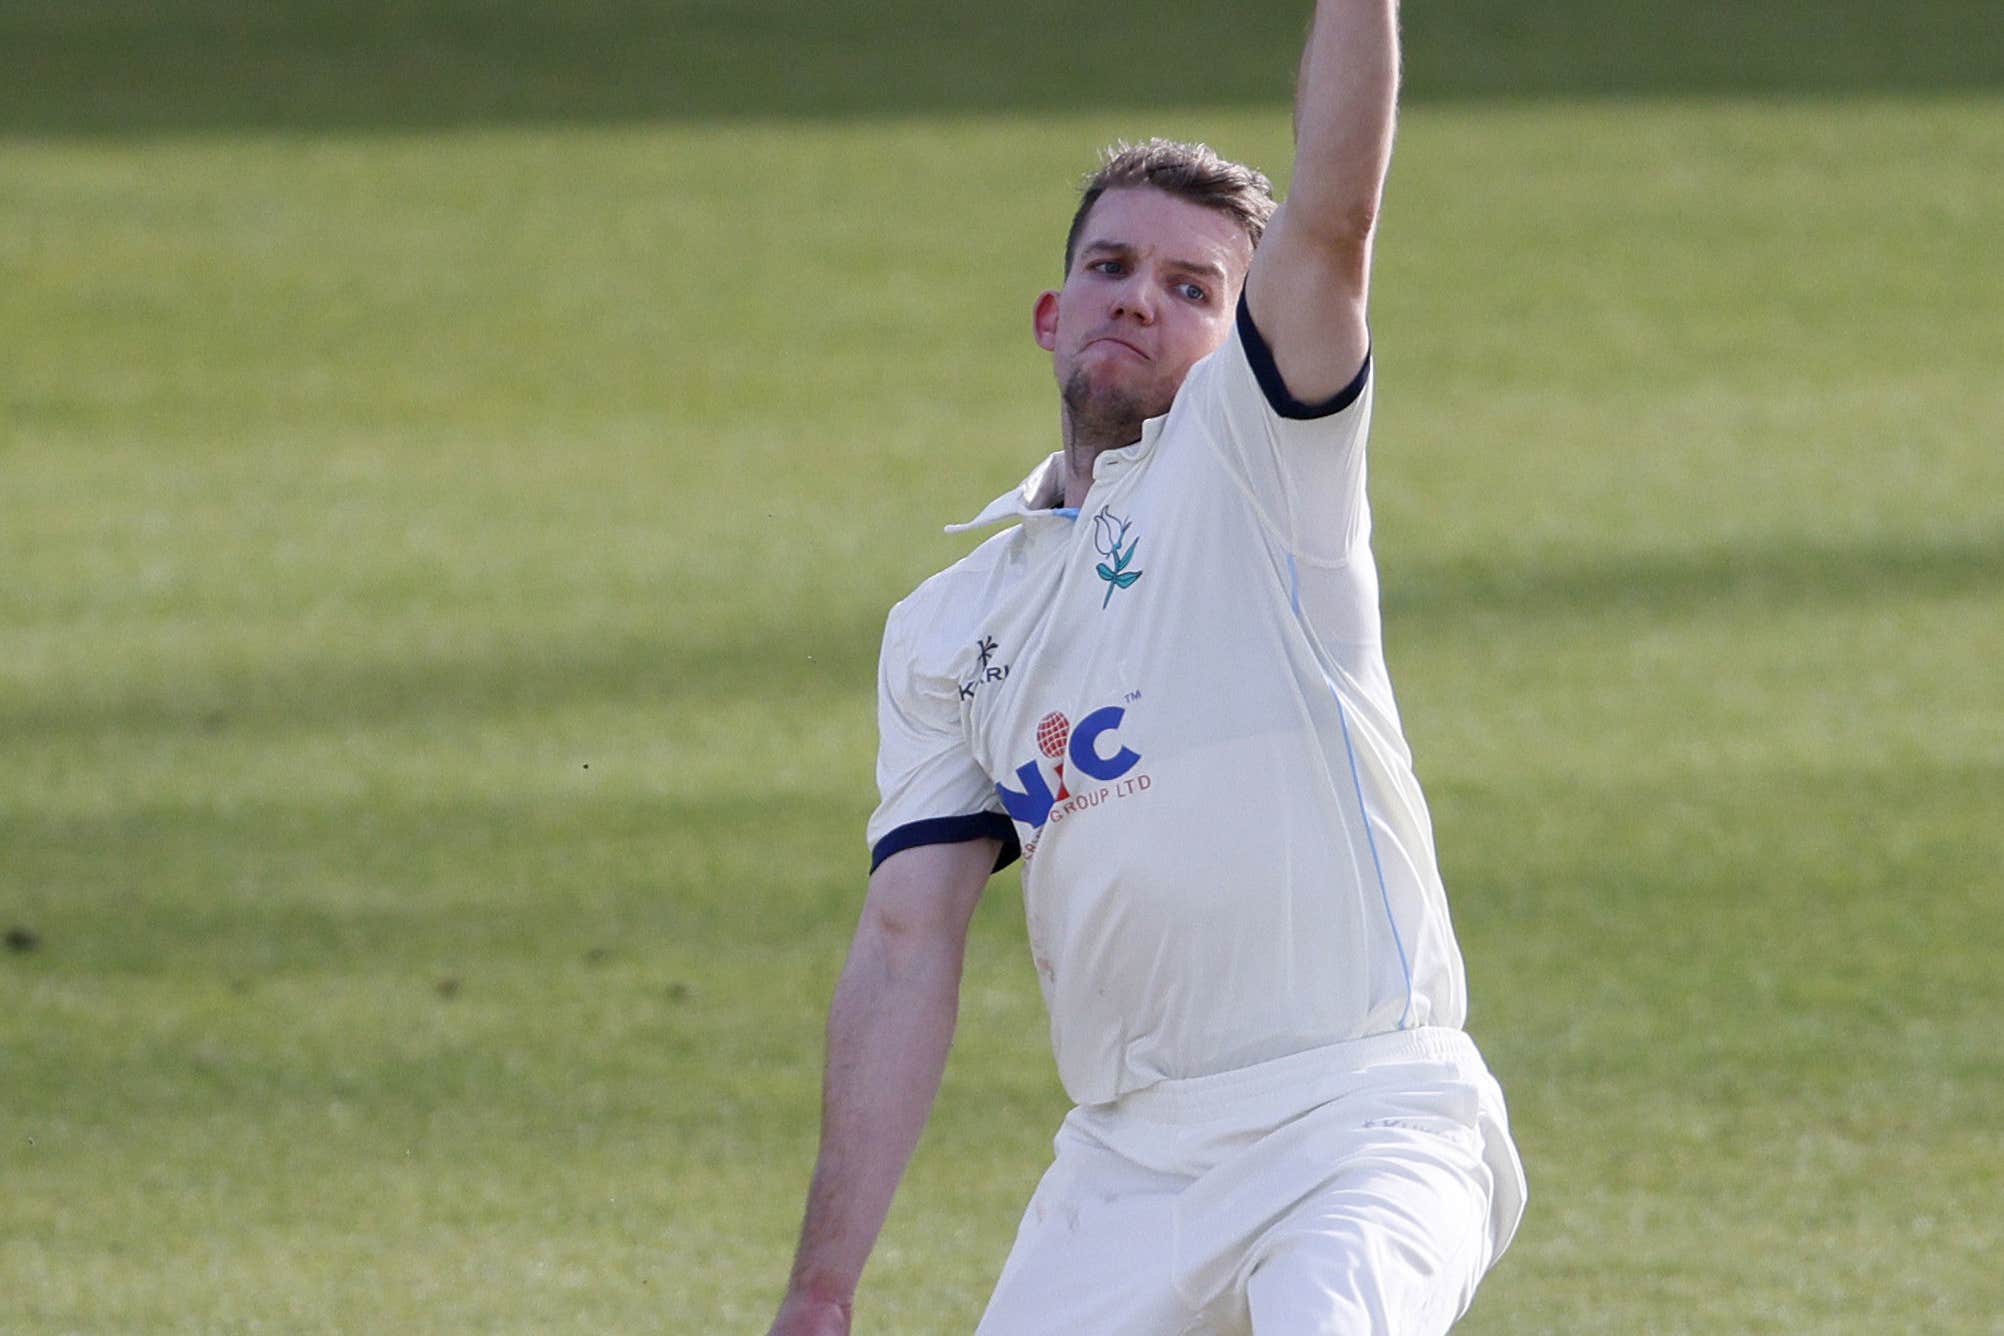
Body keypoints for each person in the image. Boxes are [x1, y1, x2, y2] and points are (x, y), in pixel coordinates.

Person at [768, 3, 1526, 1331]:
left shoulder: (1261, 464)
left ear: (1245, 331)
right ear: (1055, 313)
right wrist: (822, 1291)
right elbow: (904, 946)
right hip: (1129, 1160)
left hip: (1362, 1114)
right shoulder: (948, 625)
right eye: (1114, 267)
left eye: (1194, 288)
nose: (1141, 296)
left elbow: (1335, 216)